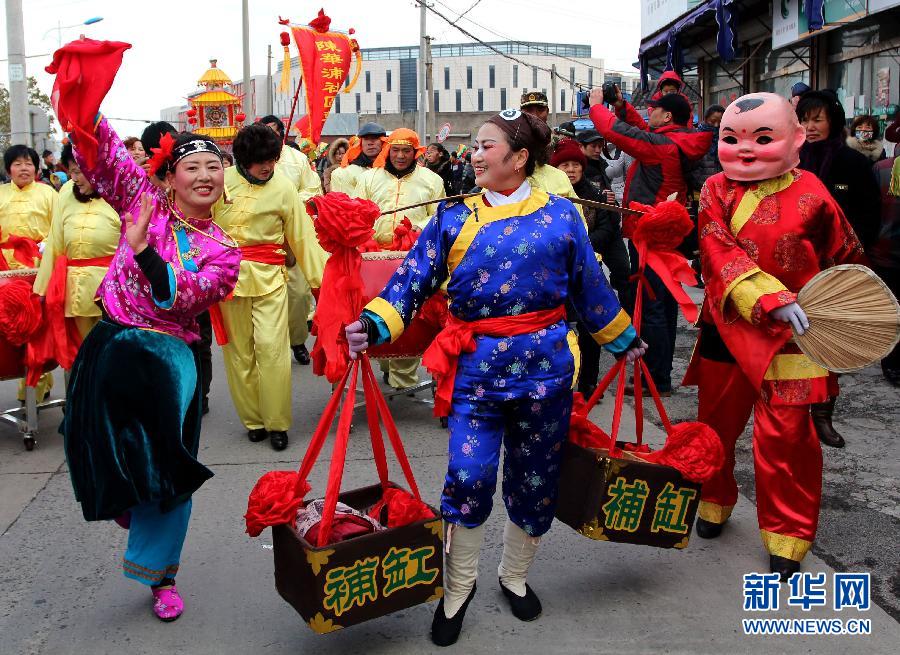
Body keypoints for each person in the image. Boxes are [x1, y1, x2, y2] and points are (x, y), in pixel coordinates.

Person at [345, 108, 645, 646]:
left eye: (486, 146)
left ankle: (515, 576)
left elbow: (590, 292)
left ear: (520, 157)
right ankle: (458, 589)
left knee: (534, 479)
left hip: (546, 371)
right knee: (468, 475)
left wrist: (625, 341)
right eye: (476, 147)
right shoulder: (452, 218)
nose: (475, 155)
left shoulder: (562, 216)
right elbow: (410, 283)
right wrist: (370, 324)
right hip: (476, 373)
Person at [63, 111, 240, 620]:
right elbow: (105, 156)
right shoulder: (145, 203)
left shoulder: (224, 251)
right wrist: (85, 104)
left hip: (169, 364)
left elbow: (181, 297)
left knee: (170, 476)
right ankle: (125, 501)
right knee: (93, 449)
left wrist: (141, 251)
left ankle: (162, 578)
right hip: (111, 347)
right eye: (193, 167)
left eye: (214, 166)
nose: (205, 175)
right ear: (169, 177)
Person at [683, 93, 864, 582]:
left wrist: (845, 315)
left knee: (787, 436)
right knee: (716, 427)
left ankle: (790, 533)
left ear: (796, 138)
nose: (746, 149)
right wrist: (765, 296)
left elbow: (845, 257)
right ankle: (714, 502)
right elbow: (715, 249)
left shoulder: (813, 191)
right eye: (732, 138)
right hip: (729, 325)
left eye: (763, 137)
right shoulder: (714, 190)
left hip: (794, 335)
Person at [588, 85, 712, 395]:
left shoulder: (662, 146)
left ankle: (655, 379)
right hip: (665, 232)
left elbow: (614, 131)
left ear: (667, 115)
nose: (649, 112)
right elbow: (640, 130)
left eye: (653, 108)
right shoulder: (676, 141)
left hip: (650, 235)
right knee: (664, 304)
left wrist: (596, 105)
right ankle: (660, 374)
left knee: (653, 306)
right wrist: (621, 104)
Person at [212, 124, 325, 451]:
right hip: (226, 281)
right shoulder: (221, 182)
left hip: (270, 279)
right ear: (241, 160)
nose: (267, 167)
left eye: (272, 160)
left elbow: (303, 238)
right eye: (260, 160)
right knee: (238, 352)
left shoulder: (285, 188)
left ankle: (277, 423)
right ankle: (253, 420)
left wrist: (325, 284)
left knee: (273, 351)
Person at [796, 90, 882, 448]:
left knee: (830, 341)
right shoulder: (789, 158)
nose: (810, 127)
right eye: (804, 119)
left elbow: (868, 215)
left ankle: (822, 413)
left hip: (836, 267)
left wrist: (849, 257)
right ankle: (793, 408)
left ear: (833, 120)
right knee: (794, 339)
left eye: (817, 119)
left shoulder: (851, 162)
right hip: (794, 266)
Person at [353, 128, 445, 389]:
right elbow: (357, 211)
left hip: (412, 258)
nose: (401, 156)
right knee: (375, 311)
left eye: (406, 151)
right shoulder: (369, 178)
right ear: (387, 151)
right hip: (374, 258)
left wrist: (417, 227)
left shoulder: (430, 179)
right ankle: (384, 361)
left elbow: (438, 214)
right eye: (396, 150)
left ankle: (404, 380)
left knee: (411, 316)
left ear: (415, 153)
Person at [551, 137, 631, 397]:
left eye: (576, 164)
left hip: (588, 271)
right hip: (556, 272)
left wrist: (581, 246)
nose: (571, 170)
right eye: (565, 165)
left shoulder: (596, 194)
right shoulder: (550, 198)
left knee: (589, 327)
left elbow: (608, 229)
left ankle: (588, 382)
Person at [33, 144, 120, 350]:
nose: (74, 178)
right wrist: (42, 290)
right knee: (78, 355)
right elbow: (55, 242)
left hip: (112, 291)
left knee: (111, 357)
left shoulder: (119, 193)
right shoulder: (65, 192)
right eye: (71, 171)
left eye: (79, 171)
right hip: (74, 292)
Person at [259, 114, 322, 366]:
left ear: (282, 133)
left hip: (293, 235)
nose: (270, 136)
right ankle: (270, 346)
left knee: (297, 295)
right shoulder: (252, 158)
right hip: (262, 237)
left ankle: (297, 340)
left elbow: (313, 189)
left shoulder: (297, 160)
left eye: (274, 131)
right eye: (265, 131)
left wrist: (290, 202)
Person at [0, 143, 58, 402]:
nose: (24, 168)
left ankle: (36, 383)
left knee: (37, 328)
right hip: (4, 273)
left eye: (29, 164)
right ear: (8, 169)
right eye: (18, 164)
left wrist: (47, 247)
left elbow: (59, 226)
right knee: (11, 329)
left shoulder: (48, 194)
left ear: (36, 168)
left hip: (39, 270)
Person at [871, 134, 900, 386]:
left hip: (886, 249)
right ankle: (892, 361)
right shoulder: (883, 169)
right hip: (888, 252)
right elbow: (870, 211)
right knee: (891, 311)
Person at [330, 122, 386, 195]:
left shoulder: (392, 170)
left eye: (374, 138)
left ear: (383, 141)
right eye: (366, 139)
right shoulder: (343, 173)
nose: (370, 143)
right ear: (361, 143)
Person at [693, 104, 725, 189]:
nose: (716, 125)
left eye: (720, 122)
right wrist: (698, 182)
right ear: (706, 119)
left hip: (722, 185)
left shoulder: (727, 138)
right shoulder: (696, 136)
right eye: (712, 121)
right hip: (702, 185)